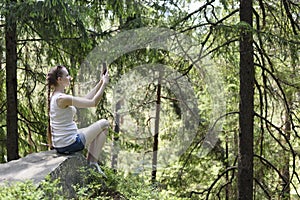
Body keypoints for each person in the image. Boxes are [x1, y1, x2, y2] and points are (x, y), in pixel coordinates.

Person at [46, 65, 109, 176]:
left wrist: (100, 83)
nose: (70, 77)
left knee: (95, 130)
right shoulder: (62, 98)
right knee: (105, 124)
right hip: (70, 144)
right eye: (67, 75)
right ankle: (92, 163)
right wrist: (104, 84)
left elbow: (85, 99)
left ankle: (91, 163)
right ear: (59, 80)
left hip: (62, 143)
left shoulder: (56, 96)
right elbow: (93, 103)